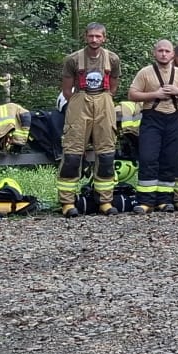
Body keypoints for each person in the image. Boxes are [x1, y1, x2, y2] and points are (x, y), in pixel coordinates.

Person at [128, 39, 178, 212]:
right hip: (151, 118)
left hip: (173, 118)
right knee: (148, 157)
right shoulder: (145, 72)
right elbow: (132, 94)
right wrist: (155, 94)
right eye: (160, 51)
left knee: (170, 159)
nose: (163, 54)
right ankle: (146, 201)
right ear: (154, 53)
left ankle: (164, 200)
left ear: (172, 54)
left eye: (167, 51)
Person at [58, 23, 122, 216]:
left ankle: (105, 201)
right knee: (72, 155)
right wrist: (79, 104)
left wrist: (104, 100)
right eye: (91, 36)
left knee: (106, 155)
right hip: (80, 101)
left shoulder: (112, 59)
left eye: (98, 36)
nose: (94, 39)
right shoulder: (73, 59)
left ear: (104, 38)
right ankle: (67, 202)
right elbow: (67, 90)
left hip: (104, 101)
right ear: (85, 37)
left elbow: (114, 86)